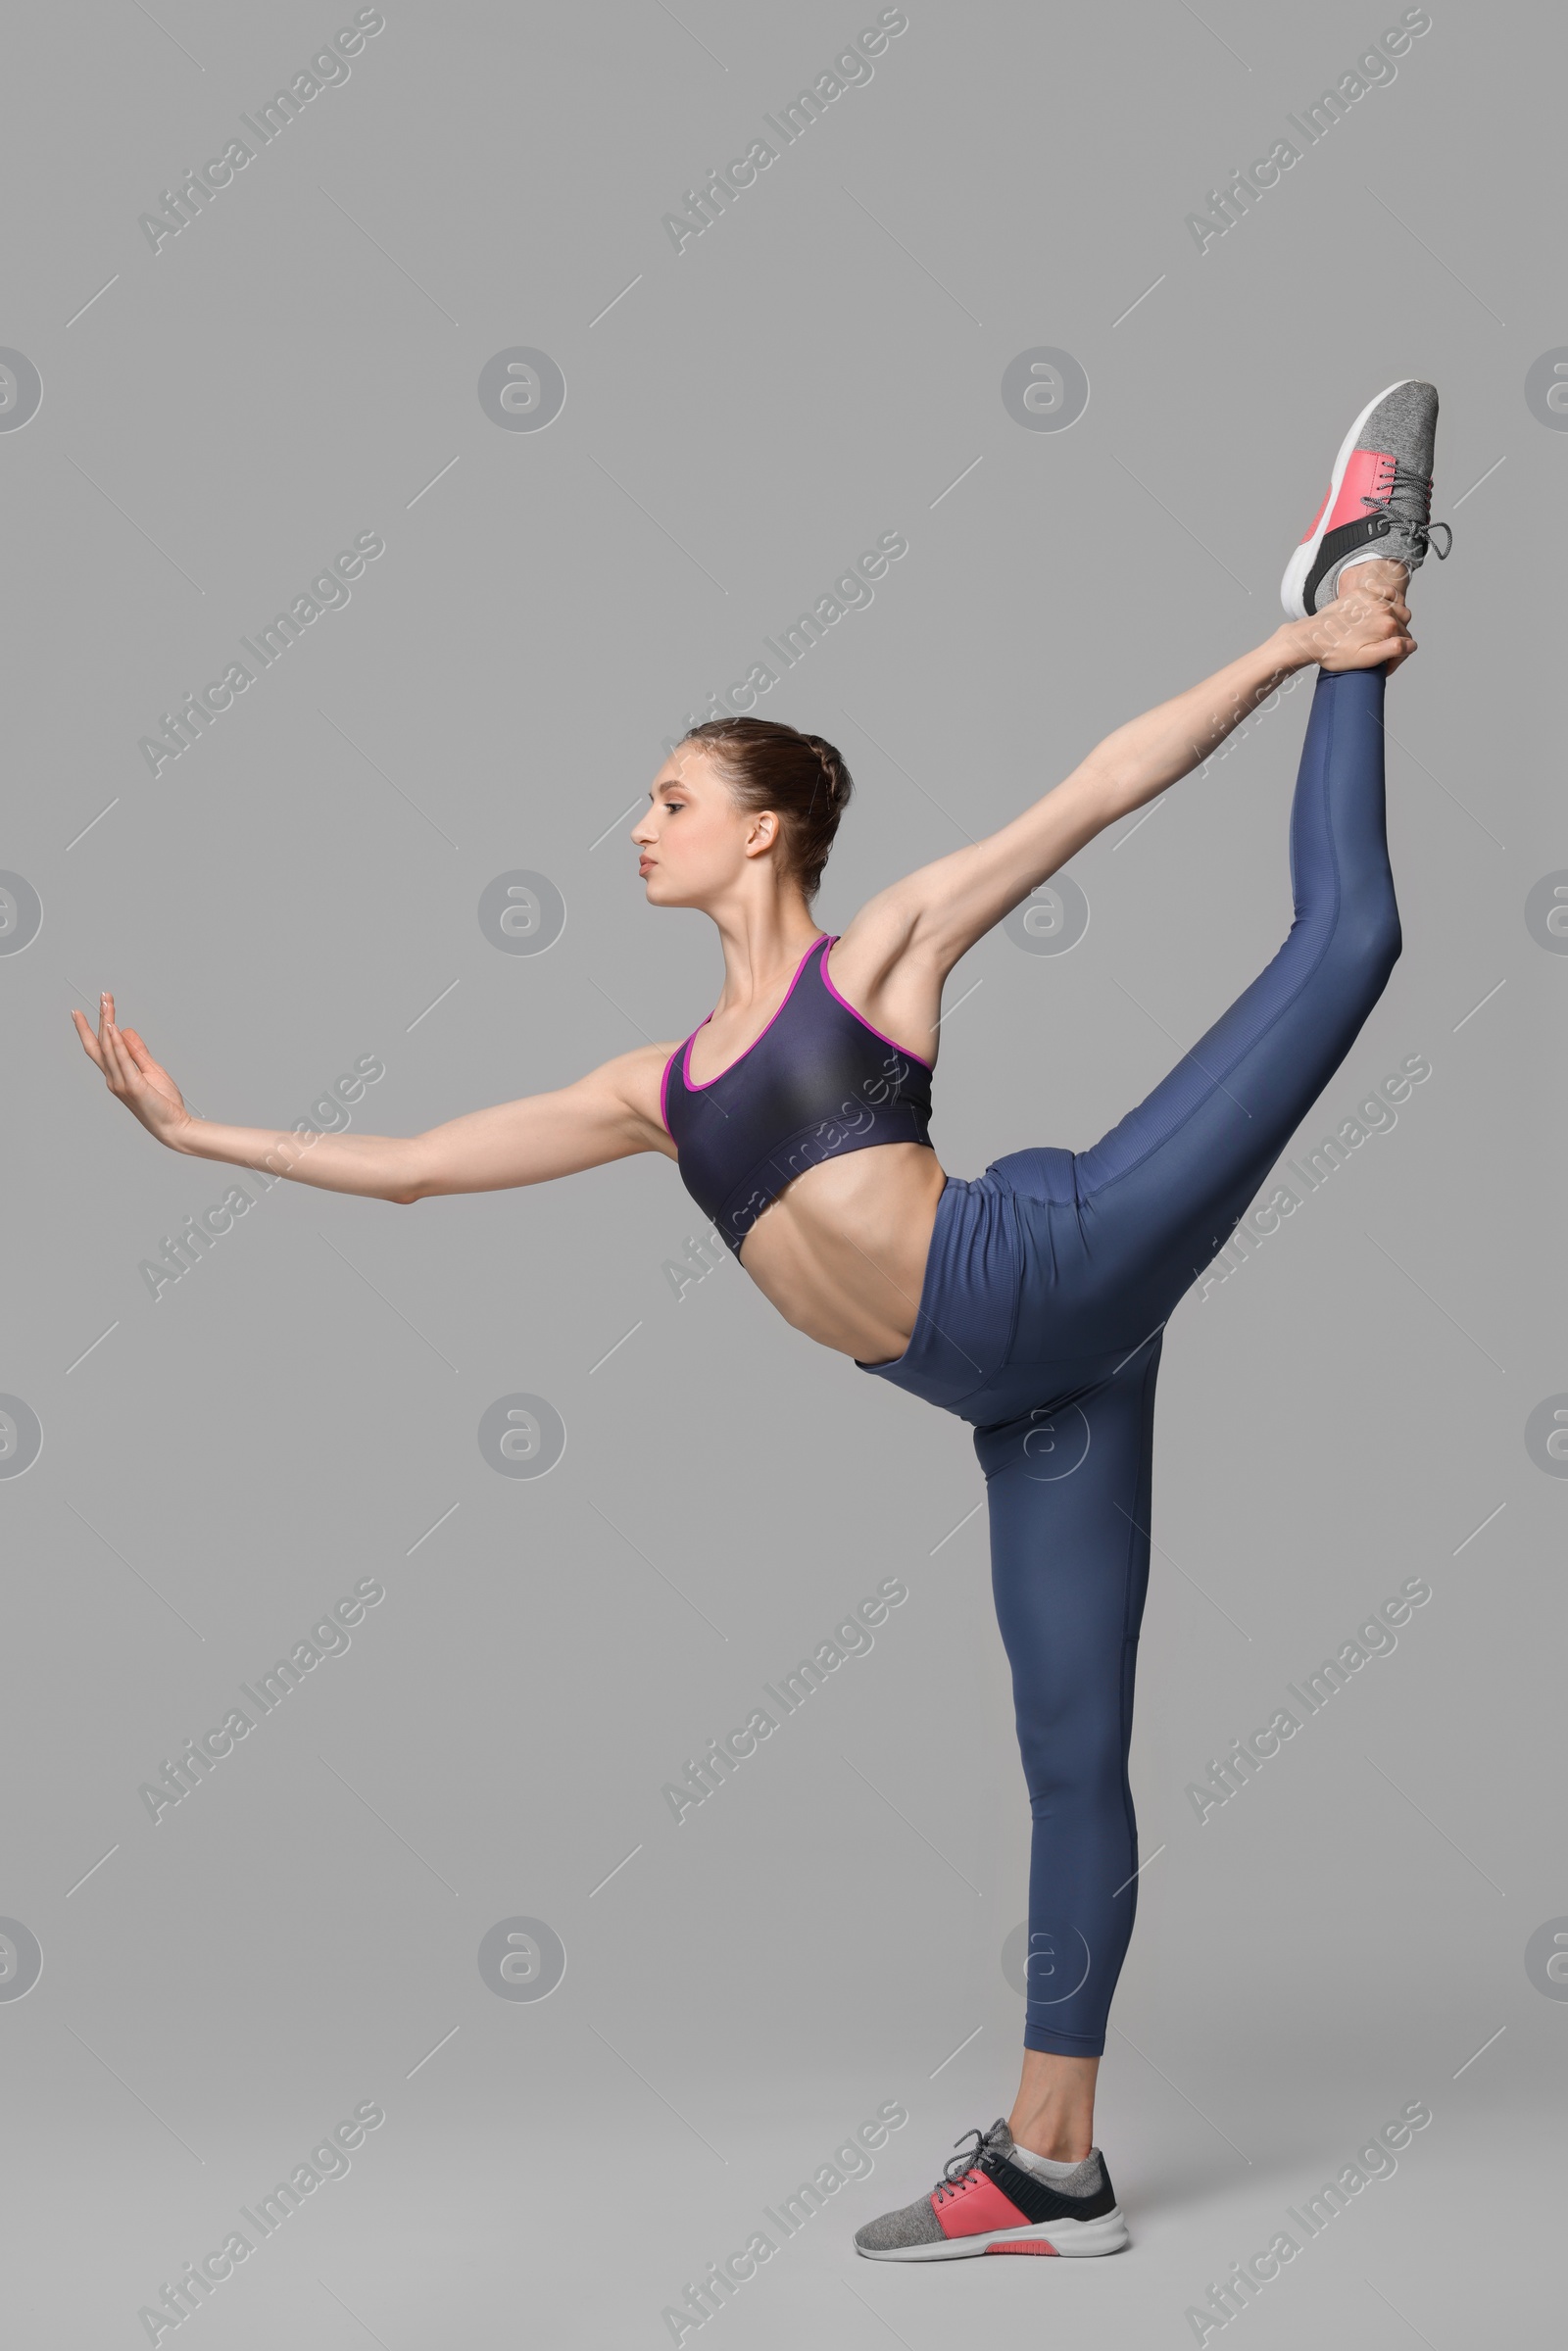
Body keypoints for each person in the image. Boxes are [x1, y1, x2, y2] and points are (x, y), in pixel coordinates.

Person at [74, 380, 1446, 2264]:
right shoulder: (664, 1087)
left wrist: (1298, 646)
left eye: (671, 799)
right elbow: (412, 1165)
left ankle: (1360, 564)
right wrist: (190, 1128)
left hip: (1047, 1264)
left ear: (764, 831)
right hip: (1021, 1392)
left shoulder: (873, 956)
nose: (636, 823)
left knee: (1349, 941)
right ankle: (1056, 2161)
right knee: (1070, 1755)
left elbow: (1105, 782)